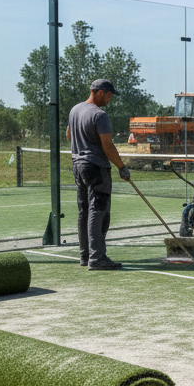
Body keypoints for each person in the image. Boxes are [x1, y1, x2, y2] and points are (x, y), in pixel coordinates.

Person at [66, 78, 132, 269]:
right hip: (95, 167)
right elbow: (108, 146)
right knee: (99, 211)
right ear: (100, 92)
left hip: (77, 166)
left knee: (84, 211)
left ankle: (85, 256)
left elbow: (69, 135)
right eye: (109, 95)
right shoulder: (99, 115)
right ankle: (97, 258)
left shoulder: (75, 110)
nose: (110, 100)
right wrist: (121, 167)